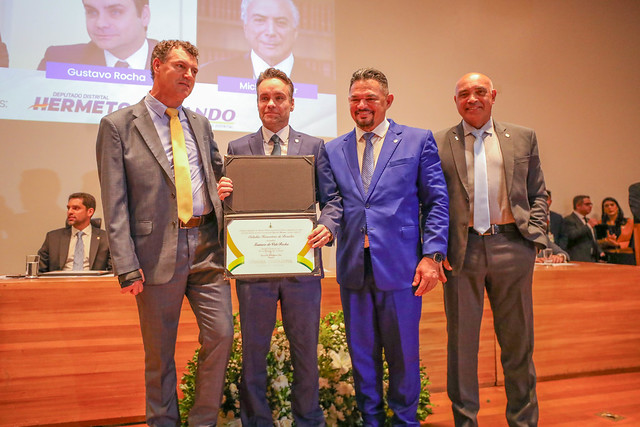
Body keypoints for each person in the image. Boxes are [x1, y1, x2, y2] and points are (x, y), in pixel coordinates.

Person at [95, 40, 232, 425]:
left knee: (221, 336)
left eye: (194, 70)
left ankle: (202, 420)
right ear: (156, 66)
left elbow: (217, 175)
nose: (189, 75)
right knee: (159, 353)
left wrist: (223, 187)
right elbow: (114, 201)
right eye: (180, 67)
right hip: (154, 253)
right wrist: (126, 265)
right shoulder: (118, 126)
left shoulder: (200, 123)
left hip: (207, 245)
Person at [321, 67, 449, 425]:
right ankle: (371, 420)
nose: (362, 106)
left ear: (388, 101)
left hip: (403, 268)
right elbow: (331, 202)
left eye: (370, 99)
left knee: (403, 355)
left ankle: (405, 421)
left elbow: (437, 201)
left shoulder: (417, 140)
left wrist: (432, 255)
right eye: (355, 99)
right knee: (362, 356)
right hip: (352, 267)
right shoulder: (332, 149)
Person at [217, 67, 339, 426]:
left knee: (305, 352)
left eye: (278, 97)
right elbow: (233, 211)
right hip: (254, 270)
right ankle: (256, 421)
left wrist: (328, 226)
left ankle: (309, 420)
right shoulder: (238, 148)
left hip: (301, 266)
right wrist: (221, 195)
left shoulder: (315, 147)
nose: (271, 104)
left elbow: (333, 200)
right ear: (257, 103)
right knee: (254, 352)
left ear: (292, 103)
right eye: (264, 98)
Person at [435, 72, 548, 426]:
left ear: (493, 95)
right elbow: (432, 201)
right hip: (461, 252)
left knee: (518, 342)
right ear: (455, 101)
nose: (472, 98)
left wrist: (535, 234)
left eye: (480, 91)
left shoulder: (523, 137)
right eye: (464, 94)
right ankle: (465, 421)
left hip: (512, 246)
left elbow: (539, 192)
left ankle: (523, 420)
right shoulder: (438, 142)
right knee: (461, 346)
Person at [199, 0, 335, 92]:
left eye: (281, 22)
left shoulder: (326, 86)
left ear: (295, 31)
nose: (270, 32)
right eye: (260, 20)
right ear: (245, 27)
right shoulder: (209, 75)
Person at [38, 0, 157, 70]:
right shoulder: (58, 61)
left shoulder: (174, 64)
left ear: (144, 15)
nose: (100, 23)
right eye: (92, 12)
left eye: (115, 12)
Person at [37, 192, 110, 272]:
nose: (70, 212)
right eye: (68, 208)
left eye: (75, 208)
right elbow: (40, 270)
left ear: (90, 212)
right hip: (61, 282)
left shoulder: (106, 239)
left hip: (93, 282)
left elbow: (113, 271)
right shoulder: (53, 238)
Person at [562, 195, 603, 262]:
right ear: (578, 205)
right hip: (578, 258)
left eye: (591, 204)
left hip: (592, 259)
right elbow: (571, 235)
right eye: (587, 204)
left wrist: (600, 252)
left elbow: (593, 239)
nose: (590, 206)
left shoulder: (588, 220)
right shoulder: (569, 219)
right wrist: (588, 226)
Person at [597, 197, 635, 265]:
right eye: (606, 206)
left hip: (626, 256)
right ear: (604, 209)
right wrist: (606, 241)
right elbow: (597, 243)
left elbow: (634, 242)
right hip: (608, 256)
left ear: (617, 207)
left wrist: (618, 244)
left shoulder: (629, 222)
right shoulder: (600, 224)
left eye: (612, 205)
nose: (609, 207)